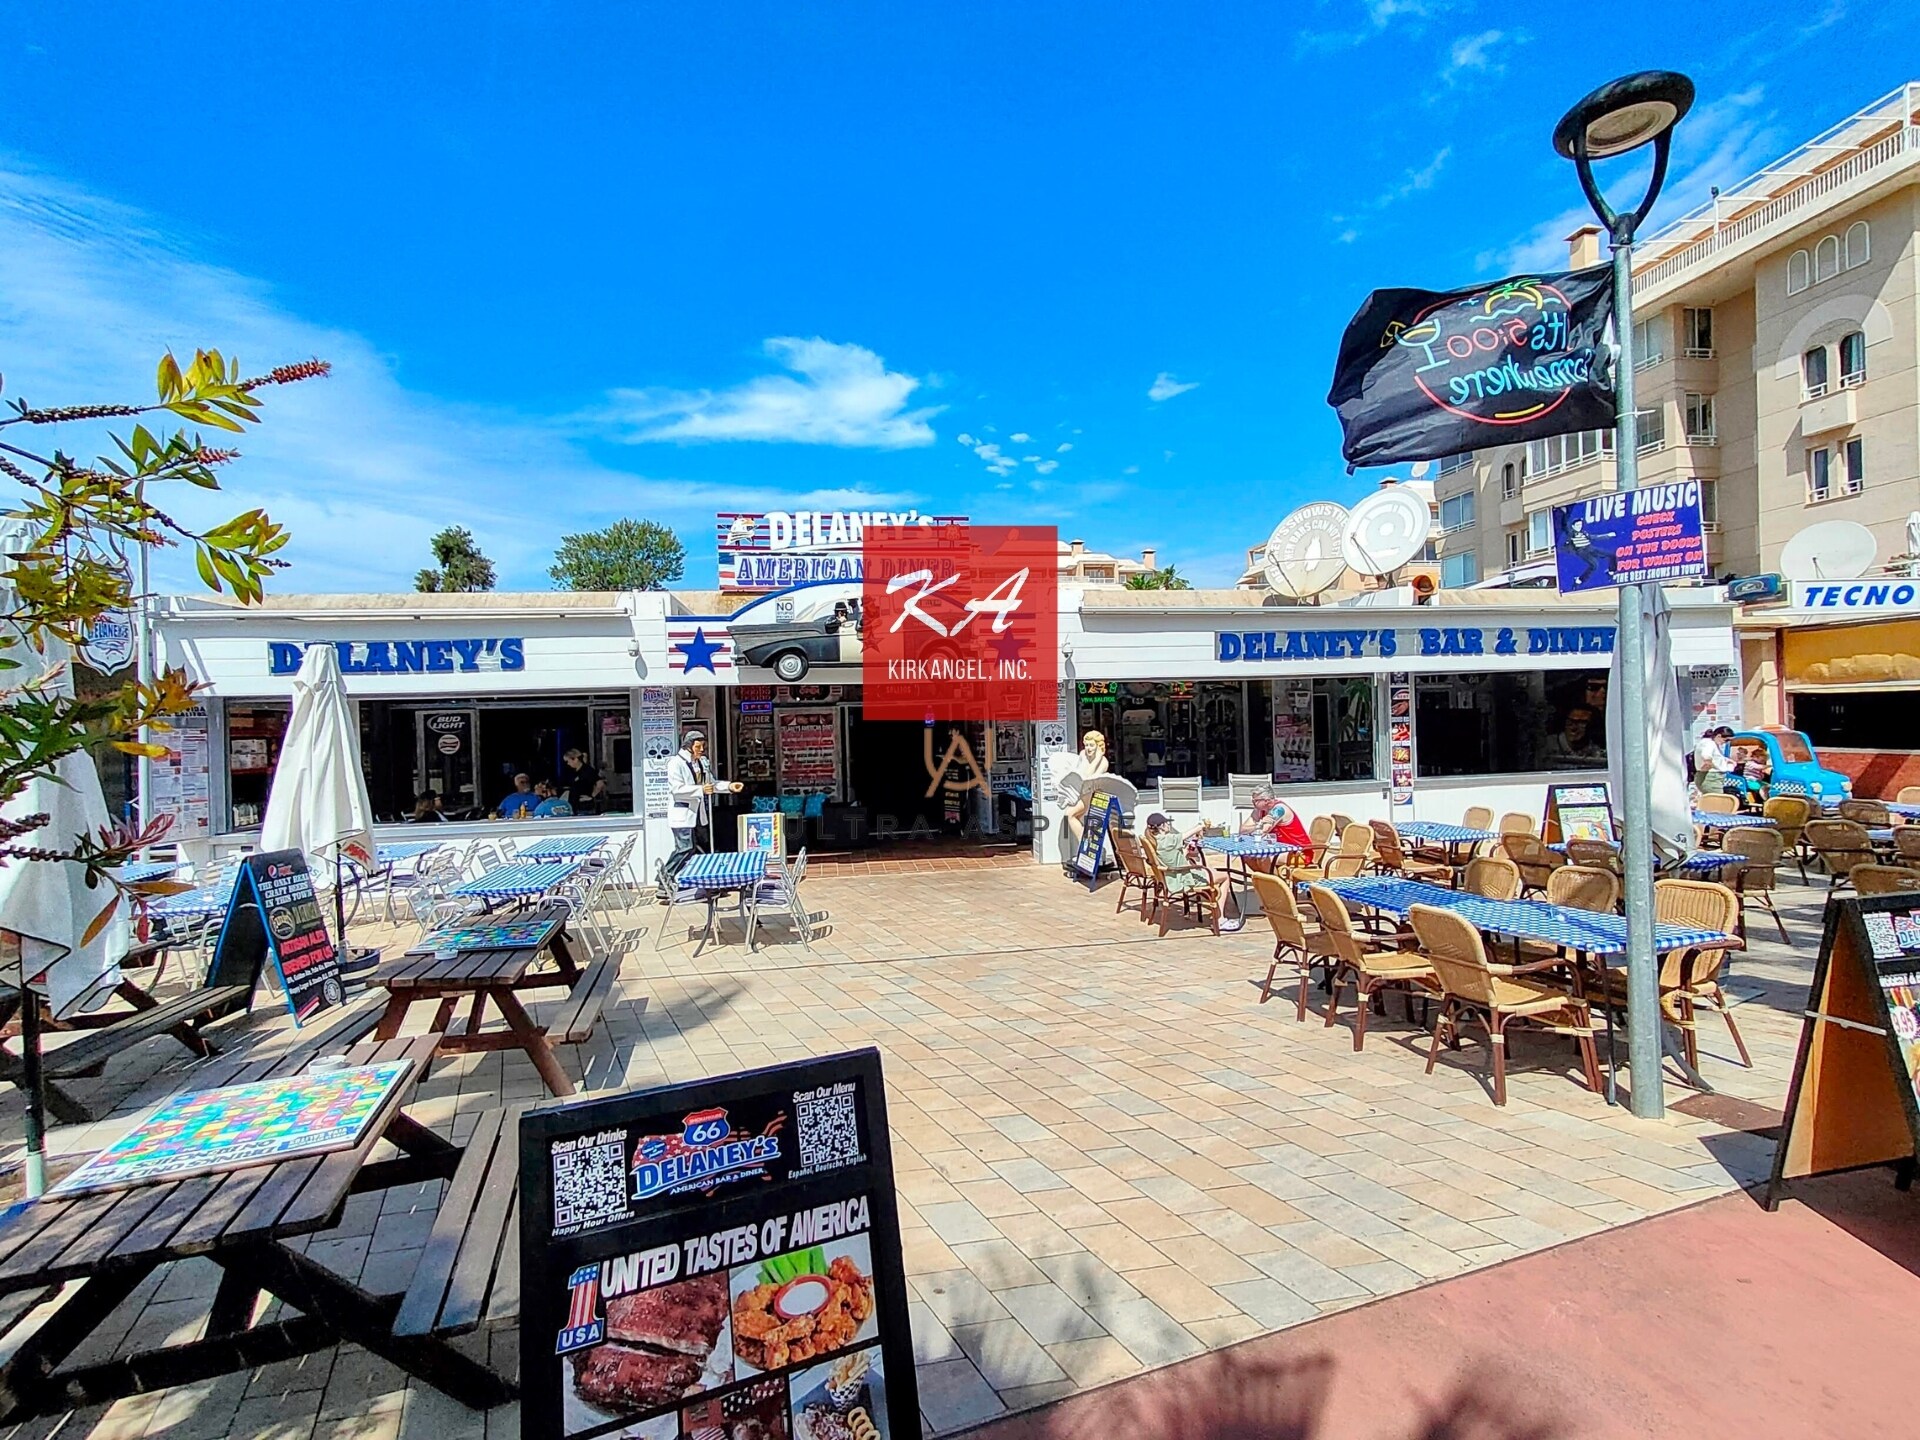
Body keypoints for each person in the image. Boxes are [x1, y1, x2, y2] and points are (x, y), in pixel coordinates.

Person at [658, 731, 741, 899]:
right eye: (698, 746)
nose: (702, 749)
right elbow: (677, 789)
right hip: (682, 813)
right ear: (688, 746)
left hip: (698, 813)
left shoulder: (701, 763)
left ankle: (708, 882)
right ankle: (663, 879)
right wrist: (700, 790)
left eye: (703, 746)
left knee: (703, 847)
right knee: (685, 847)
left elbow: (710, 784)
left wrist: (729, 787)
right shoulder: (676, 763)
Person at [1144, 811, 1231, 918]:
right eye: (1166, 823)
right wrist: (1201, 826)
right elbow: (1185, 835)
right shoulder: (1168, 839)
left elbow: (1177, 856)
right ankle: (1220, 918)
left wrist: (1191, 843)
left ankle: (1213, 902)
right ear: (1161, 826)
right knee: (1225, 877)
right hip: (1182, 879)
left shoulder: (1157, 840)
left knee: (1212, 871)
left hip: (1172, 876)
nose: (1168, 825)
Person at [1060, 731, 1111, 854]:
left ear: (1099, 747)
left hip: (1092, 793)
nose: (1088, 748)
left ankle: (1085, 843)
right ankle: (1085, 844)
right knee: (1075, 817)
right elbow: (1078, 773)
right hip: (1080, 791)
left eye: (1091, 745)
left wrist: (1097, 758)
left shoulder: (1103, 762)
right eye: (1086, 745)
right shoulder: (1083, 754)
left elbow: (1088, 777)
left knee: (1070, 815)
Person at [1241, 784, 1311, 870]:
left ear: (1266, 801)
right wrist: (1259, 824)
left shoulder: (1279, 809)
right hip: (1280, 849)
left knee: (1263, 858)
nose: (1253, 803)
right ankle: (1263, 880)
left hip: (1298, 851)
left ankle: (1276, 882)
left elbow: (1263, 831)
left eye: (1255, 801)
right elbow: (1242, 830)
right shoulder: (1260, 810)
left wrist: (1257, 826)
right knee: (1247, 856)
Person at [1693, 725, 1737, 797]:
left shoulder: (1707, 742)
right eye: (1726, 740)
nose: (1726, 743)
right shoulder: (1710, 744)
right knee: (1717, 802)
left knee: (1713, 801)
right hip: (1712, 777)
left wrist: (1727, 760)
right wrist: (1708, 764)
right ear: (1719, 736)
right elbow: (1706, 756)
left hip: (1709, 777)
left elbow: (1714, 756)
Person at [561, 748, 605, 815]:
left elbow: (600, 784)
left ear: (575, 759)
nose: (568, 764)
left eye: (568, 761)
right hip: (575, 806)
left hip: (585, 807)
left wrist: (592, 796)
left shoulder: (588, 771)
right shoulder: (574, 772)